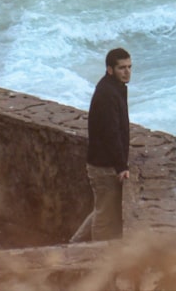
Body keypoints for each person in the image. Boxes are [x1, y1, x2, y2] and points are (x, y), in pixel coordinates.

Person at [70, 47, 132, 242]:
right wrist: (121, 166)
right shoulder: (107, 94)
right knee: (104, 217)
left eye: (130, 67)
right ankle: (96, 257)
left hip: (104, 163)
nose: (127, 72)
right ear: (110, 69)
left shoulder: (116, 88)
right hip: (103, 166)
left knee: (101, 210)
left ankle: (73, 245)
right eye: (122, 68)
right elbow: (111, 133)